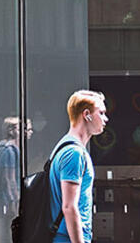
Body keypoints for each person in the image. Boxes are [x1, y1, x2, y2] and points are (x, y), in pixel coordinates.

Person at [49, 89, 108, 243]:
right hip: (67, 238)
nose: (105, 119)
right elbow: (69, 207)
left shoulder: (64, 146)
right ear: (86, 114)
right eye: (101, 113)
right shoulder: (74, 153)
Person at [0, 116, 32, 216]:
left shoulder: (9, 149)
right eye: (25, 129)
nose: (29, 132)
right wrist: (13, 203)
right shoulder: (9, 151)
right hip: (8, 204)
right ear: (11, 131)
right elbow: (8, 180)